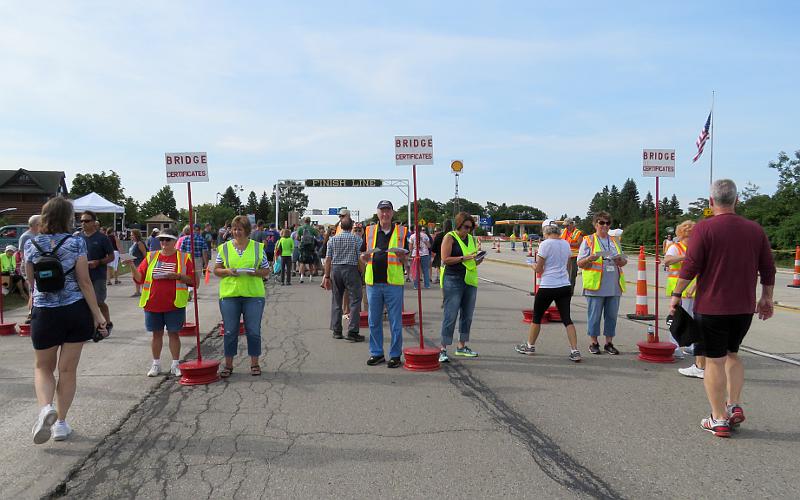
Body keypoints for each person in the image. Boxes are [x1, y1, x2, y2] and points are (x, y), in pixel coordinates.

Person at [669, 179, 775, 438]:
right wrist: (766, 298)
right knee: (733, 355)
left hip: (712, 307)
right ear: (737, 201)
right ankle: (734, 404)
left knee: (714, 362)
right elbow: (768, 268)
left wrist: (676, 294)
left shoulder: (704, 229)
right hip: (743, 308)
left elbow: (691, 265)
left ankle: (717, 418)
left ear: (711, 202)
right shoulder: (755, 230)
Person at [24, 197, 107, 444]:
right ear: (68, 218)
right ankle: (60, 424)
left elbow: (32, 282)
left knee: (42, 367)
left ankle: (45, 409)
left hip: (45, 313)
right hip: (74, 312)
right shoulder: (76, 243)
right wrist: (98, 314)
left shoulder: (30, 244)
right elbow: (84, 282)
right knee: (67, 370)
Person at [127, 228, 193, 377]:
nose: (163, 242)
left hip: (174, 303)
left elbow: (193, 281)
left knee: (174, 334)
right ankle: (155, 364)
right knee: (156, 335)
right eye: (161, 239)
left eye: (167, 239)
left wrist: (177, 276)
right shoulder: (151, 256)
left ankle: (175, 364)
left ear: (175, 241)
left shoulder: (184, 258)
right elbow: (139, 278)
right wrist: (131, 265)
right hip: (152, 303)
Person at [213, 216, 270, 378]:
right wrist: (227, 271)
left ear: (247, 230)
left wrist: (255, 272)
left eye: (240, 229)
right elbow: (216, 270)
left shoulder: (258, 248)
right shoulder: (224, 248)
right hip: (230, 295)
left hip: (253, 295)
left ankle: (254, 363)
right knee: (230, 331)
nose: (236, 232)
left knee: (253, 331)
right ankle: (228, 365)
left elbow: (266, 270)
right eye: (234, 229)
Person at [515, 221, 580, 362]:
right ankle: (575, 350)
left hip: (548, 285)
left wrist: (532, 265)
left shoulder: (545, 244)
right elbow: (567, 264)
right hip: (564, 285)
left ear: (546, 233)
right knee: (567, 319)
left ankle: (530, 346)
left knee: (537, 317)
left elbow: (539, 269)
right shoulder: (565, 244)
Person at [360, 200, 408, 368]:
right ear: (378, 213)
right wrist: (364, 258)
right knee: (374, 320)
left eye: (388, 211)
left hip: (393, 282)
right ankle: (377, 353)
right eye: (382, 211)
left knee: (395, 321)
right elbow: (363, 253)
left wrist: (402, 256)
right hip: (373, 282)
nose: (385, 214)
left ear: (392, 213)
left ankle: (395, 355)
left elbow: (405, 258)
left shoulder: (402, 232)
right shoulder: (370, 231)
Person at [576, 211, 627, 355]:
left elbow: (623, 262)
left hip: (614, 284)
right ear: (595, 224)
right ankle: (594, 342)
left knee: (611, 315)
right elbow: (580, 263)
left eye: (607, 223)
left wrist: (620, 260)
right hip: (596, 285)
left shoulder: (615, 240)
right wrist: (589, 259)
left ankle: (609, 343)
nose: (605, 226)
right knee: (595, 315)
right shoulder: (588, 240)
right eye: (601, 223)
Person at [437, 212, 482, 363]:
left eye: (471, 227)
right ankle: (442, 349)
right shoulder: (450, 237)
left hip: (469, 280)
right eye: (466, 227)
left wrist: (478, 259)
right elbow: (445, 259)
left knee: (467, 315)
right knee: (450, 315)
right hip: (453, 279)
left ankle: (461, 346)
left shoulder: (471, 238)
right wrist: (464, 258)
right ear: (459, 225)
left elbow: (472, 261)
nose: (468, 230)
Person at [322, 216, 364, 341]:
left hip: (336, 270)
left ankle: (337, 330)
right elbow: (360, 259)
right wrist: (362, 273)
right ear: (351, 227)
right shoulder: (357, 240)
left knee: (337, 299)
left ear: (340, 227)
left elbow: (328, 259)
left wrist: (327, 275)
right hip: (351, 270)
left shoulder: (332, 240)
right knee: (355, 300)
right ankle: (352, 331)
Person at [665, 220, 698, 362]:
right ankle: (674, 345)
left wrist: (694, 287)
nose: (692, 240)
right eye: (689, 237)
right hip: (677, 288)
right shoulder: (675, 247)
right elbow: (667, 261)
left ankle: (691, 344)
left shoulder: (696, 249)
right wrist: (685, 257)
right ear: (683, 236)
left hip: (694, 289)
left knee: (693, 318)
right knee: (677, 317)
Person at [79, 211, 115, 332]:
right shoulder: (78, 237)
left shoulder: (102, 238)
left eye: (87, 221)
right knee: (84, 302)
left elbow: (111, 256)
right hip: (82, 276)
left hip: (98, 275)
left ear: (94, 222)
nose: (84, 223)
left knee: (99, 301)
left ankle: (108, 323)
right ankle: (91, 327)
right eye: (82, 221)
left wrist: (98, 262)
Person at [18, 214, 40, 323]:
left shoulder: (38, 235)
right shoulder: (26, 236)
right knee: (32, 289)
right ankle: (31, 313)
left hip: (37, 265)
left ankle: (33, 312)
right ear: (36, 224)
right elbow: (23, 254)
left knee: (36, 289)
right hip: (29, 265)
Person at [179, 224, 209, 293]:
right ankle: (194, 290)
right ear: (199, 230)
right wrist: (206, 263)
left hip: (187, 259)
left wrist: (181, 261)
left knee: (188, 274)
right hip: (198, 259)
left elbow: (181, 251)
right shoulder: (201, 239)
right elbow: (204, 252)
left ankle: (189, 289)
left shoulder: (186, 238)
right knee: (197, 276)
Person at [560, 218, 584, 294]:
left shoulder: (578, 233)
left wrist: (567, 243)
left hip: (574, 256)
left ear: (572, 224)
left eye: (567, 225)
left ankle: (570, 291)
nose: (566, 227)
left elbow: (579, 244)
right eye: (565, 225)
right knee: (564, 273)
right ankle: (564, 289)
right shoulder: (563, 231)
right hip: (564, 255)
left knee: (572, 274)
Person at [408, 224, 432, 289]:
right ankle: (427, 285)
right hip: (424, 254)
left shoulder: (412, 236)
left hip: (415, 254)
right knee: (425, 270)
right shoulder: (425, 235)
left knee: (416, 270)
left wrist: (410, 252)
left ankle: (416, 285)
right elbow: (429, 246)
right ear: (421, 229)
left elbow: (410, 247)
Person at [297, 217, 318, 283]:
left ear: (304, 221)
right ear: (310, 221)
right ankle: (311, 277)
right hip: (310, 247)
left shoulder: (300, 228)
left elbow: (297, 238)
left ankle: (302, 277)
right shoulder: (312, 229)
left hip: (303, 247)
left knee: (302, 262)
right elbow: (317, 236)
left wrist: (301, 240)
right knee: (311, 262)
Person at [431, 220, 452, 286]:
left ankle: (440, 279)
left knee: (441, 269)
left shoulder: (439, 235)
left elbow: (433, 248)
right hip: (452, 256)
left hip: (440, 255)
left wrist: (436, 251)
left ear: (443, 226)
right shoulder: (455, 235)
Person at [129, 229, 148, 297]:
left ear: (136, 235)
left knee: (141, 277)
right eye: (131, 235)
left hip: (139, 263)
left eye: (132, 235)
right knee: (135, 277)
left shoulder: (140, 243)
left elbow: (145, 254)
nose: (131, 236)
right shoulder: (134, 243)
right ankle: (137, 291)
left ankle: (144, 291)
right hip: (133, 263)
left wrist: (145, 264)